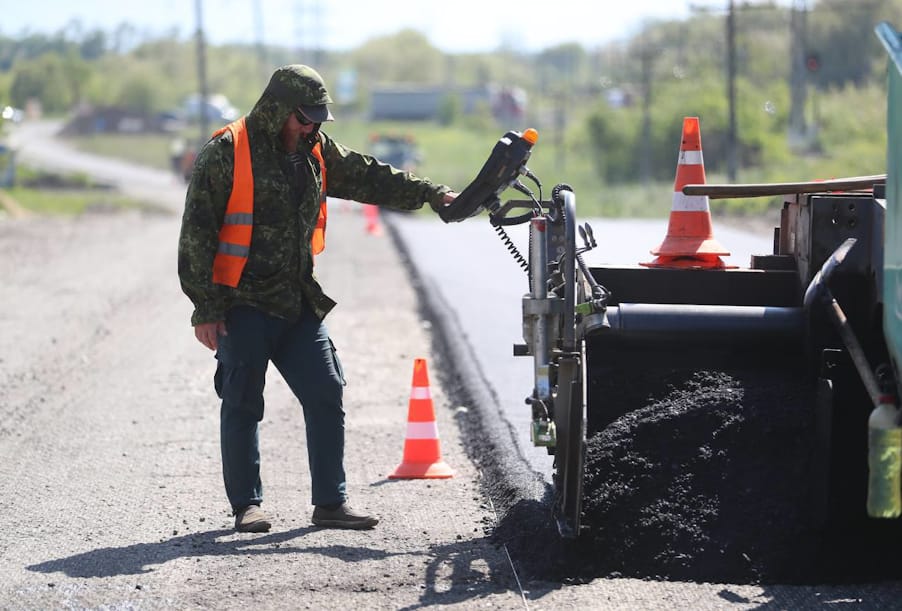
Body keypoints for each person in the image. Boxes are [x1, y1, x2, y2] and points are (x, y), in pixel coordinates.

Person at [177, 64, 458, 533]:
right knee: (243, 400)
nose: (310, 126)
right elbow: (196, 233)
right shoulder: (228, 151)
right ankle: (247, 505)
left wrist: (431, 194)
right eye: (303, 117)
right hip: (241, 303)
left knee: (326, 389)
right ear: (278, 109)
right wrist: (204, 308)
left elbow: (369, 177)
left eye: (316, 119)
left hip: (297, 300)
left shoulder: (315, 150)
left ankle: (330, 503)